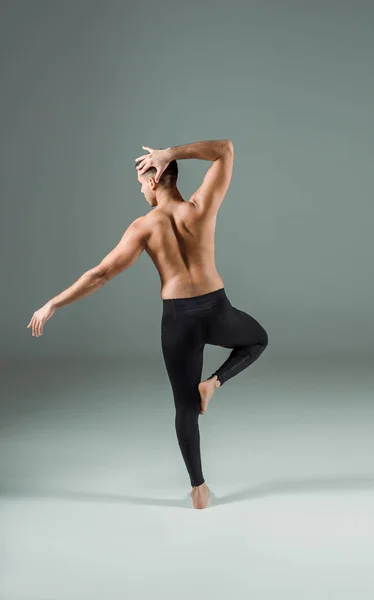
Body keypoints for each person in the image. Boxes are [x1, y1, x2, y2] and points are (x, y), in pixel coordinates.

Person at [27, 139, 268, 510]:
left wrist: (53, 303)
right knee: (257, 340)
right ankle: (215, 382)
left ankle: (199, 490)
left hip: (178, 320)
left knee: (185, 407)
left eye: (141, 183)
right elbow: (226, 150)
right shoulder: (199, 207)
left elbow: (101, 274)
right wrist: (171, 152)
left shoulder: (144, 227)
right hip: (217, 310)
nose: (140, 190)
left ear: (154, 181)